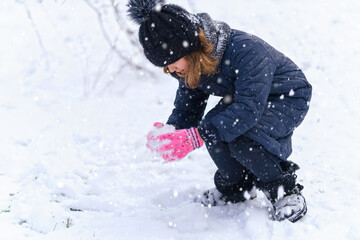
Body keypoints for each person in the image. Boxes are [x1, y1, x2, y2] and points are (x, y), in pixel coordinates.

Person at [127, 0, 312, 223]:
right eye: (164, 66)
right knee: (214, 131)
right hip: (245, 99)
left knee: (242, 138)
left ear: (189, 48)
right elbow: (188, 107)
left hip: (287, 97)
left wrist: (198, 136)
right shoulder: (192, 66)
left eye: (171, 62)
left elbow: (248, 110)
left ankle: (285, 192)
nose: (169, 70)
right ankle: (239, 187)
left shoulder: (247, 52)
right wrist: (171, 132)